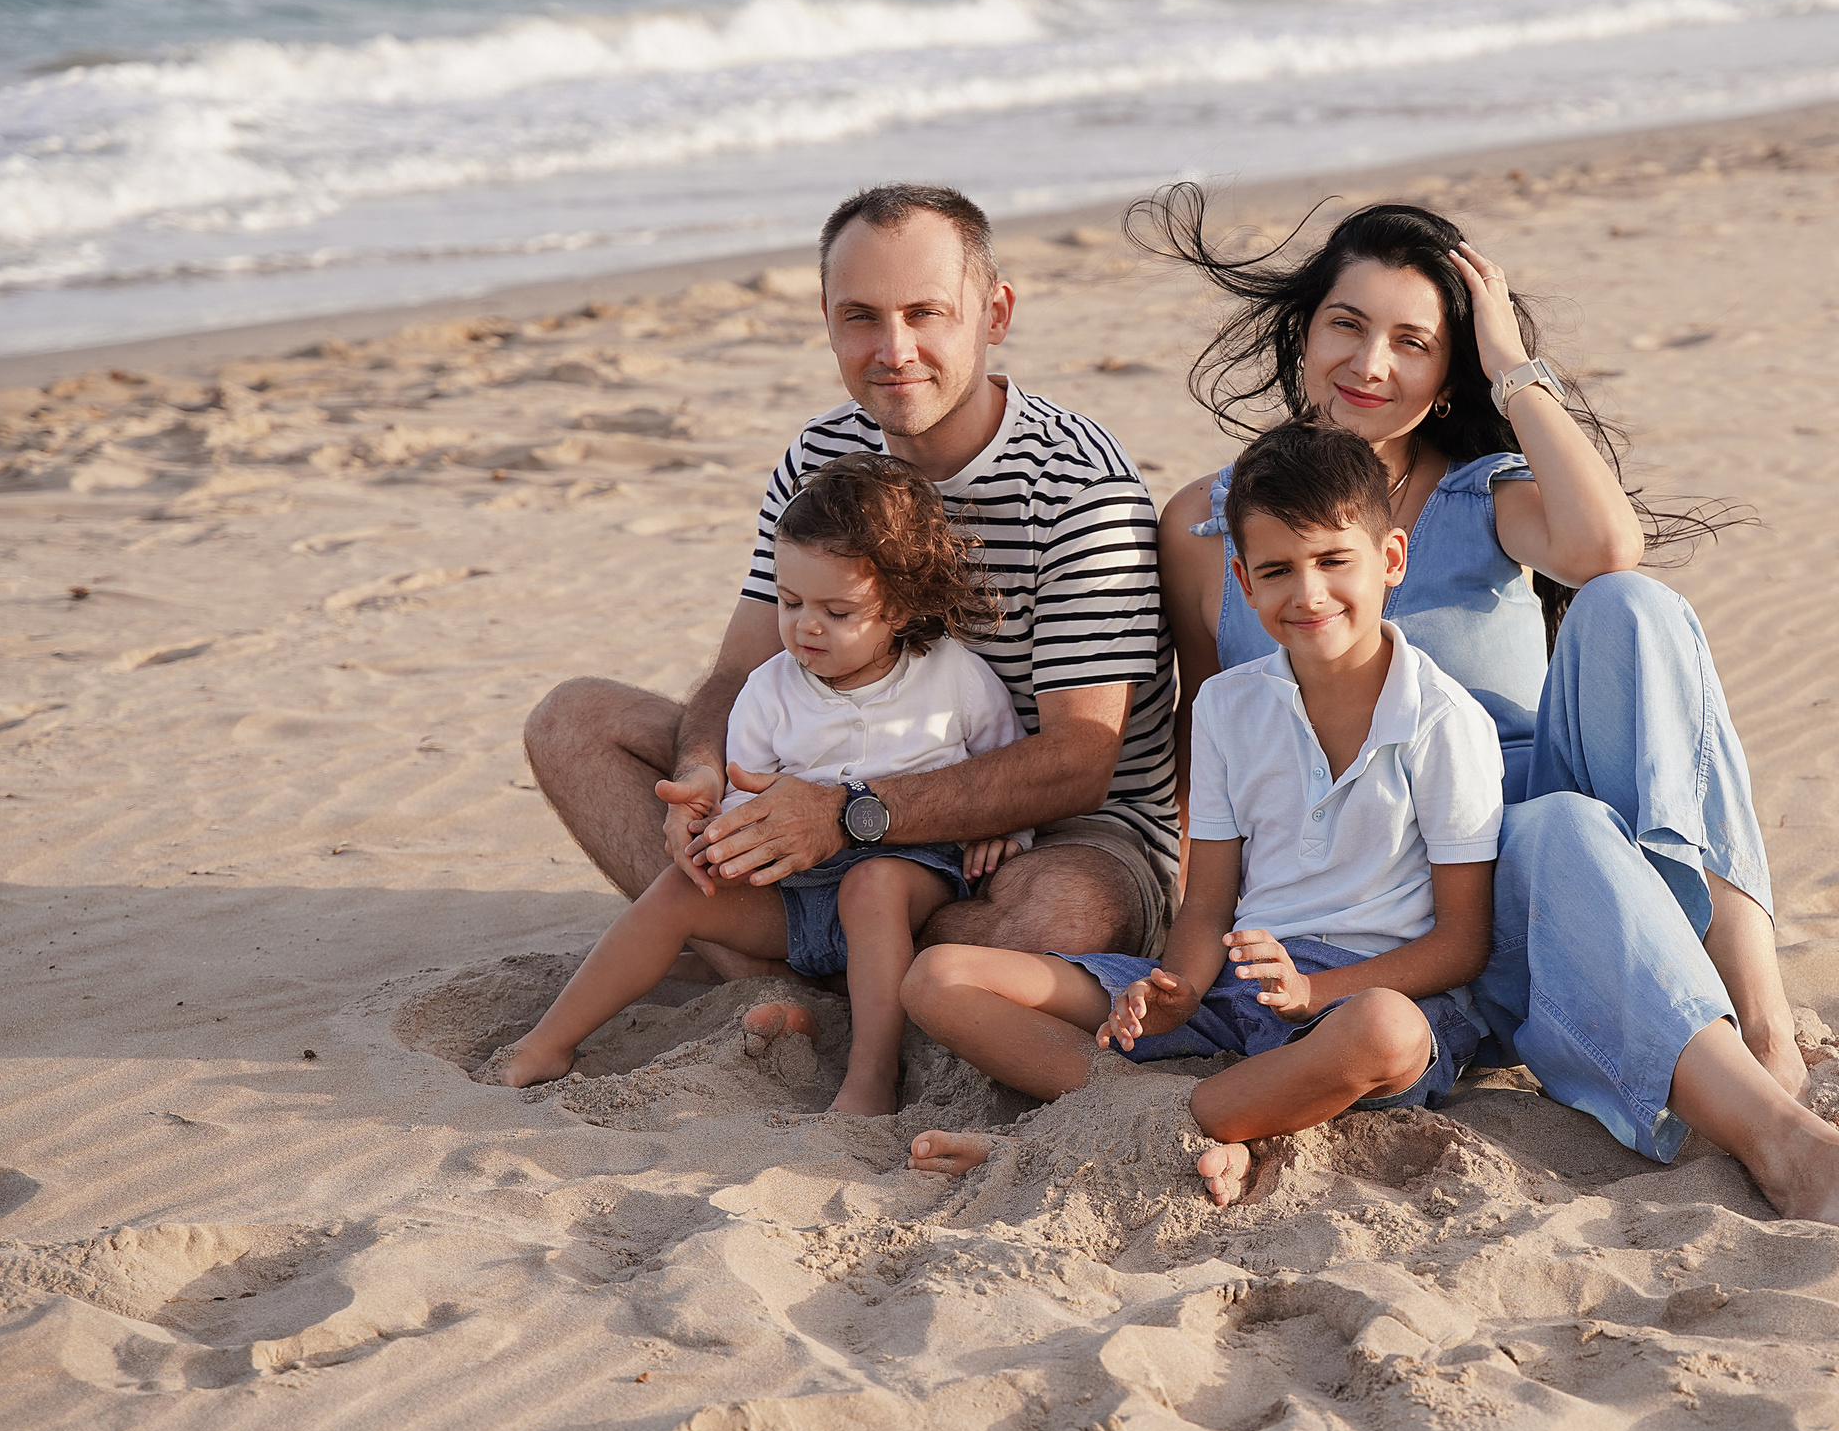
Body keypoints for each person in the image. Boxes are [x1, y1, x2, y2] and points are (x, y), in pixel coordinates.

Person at [1128, 186, 1839, 1241]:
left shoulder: (1482, 493)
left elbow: (1605, 549)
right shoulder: (1207, 525)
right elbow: (1209, 734)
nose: (1370, 365)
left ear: (1449, 368)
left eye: (1412, 342)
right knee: (1556, 822)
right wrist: (1201, 944)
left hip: (1539, 860)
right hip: (1375, 901)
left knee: (1631, 610)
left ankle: (1763, 1033)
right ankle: (1779, 1137)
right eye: (1346, 324)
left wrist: (1511, 362)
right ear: (1303, 334)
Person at [521, 184, 1178, 985]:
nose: (892, 349)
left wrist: (849, 816)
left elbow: (1079, 762)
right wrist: (699, 771)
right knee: (571, 722)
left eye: (926, 313)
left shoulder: (1081, 489)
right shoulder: (818, 455)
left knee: (1065, 911)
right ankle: (789, 982)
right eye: (860, 315)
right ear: (827, 318)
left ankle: (807, 969)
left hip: (1050, 828)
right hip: (823, 765)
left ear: (994, 315)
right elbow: (739, 672)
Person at [899, 424, 1502, 1204]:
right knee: (940, 976)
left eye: (1332, 561)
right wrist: (1177, 985)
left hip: (1362, 1000)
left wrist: (1316, 995)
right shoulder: (1225, 704)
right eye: (1278, 570)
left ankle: (1127, 1129)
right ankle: (1196, 1117)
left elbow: (1462, 942)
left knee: (1385, 1031)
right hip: (1233, 990)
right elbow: (1209, 898)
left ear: (1389, 560)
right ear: (1244, 584)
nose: (1308, 593)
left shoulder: (1445, 721)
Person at [480, 453, 1030, 1114]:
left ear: (902, 606)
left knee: (871, 884)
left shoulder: (956, 679)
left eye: (837, 609)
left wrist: (1006, 830)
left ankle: (872, 1076)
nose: (807, 626)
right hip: (794, 888)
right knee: (683, 886)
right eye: (792, 602)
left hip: (905, 868)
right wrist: (719, 825)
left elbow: (1004, 769)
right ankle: (550, 1040)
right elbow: (743, 784)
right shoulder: (771, 687)